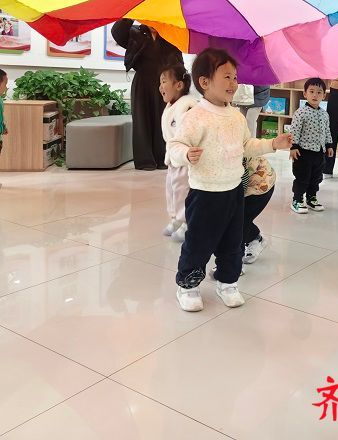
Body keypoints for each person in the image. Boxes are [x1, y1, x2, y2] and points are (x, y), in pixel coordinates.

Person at [167, 48, 292, 312]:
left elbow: (246, 146)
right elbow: (174, 146)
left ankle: (228, 282)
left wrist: (272, 144)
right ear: (204, 82)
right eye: (226, 77)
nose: (234, 83)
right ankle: (187, 285)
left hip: (234, 190)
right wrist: (186, 154)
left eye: (235, 77)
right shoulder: (196, 116)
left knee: (233, 242)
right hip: (205, 193)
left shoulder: (236, 116)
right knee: (198, 242)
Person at [111, 18, 183, 170]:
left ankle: (162, 159)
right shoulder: (136, 33)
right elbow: (117, 32)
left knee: (164, 119)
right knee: (141, 120)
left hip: (166, 84)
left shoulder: (170, 35)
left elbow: (179, 62)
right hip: (142, 82)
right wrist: (132, 14)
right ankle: (145, 161)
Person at [159, 63, 198, 242]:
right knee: (171, 189)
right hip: (172, 157)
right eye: (160, 83)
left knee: (183, 190)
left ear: (179, 85)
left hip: (183, 157)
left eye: (164, 81)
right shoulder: (170, 105)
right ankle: (175, 218)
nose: (160, 87)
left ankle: (186, 222)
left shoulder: (187, 105)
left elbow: (190, 133)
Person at [289, 78, 333, 213]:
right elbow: (294, 130)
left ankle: (311, 198)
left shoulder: (324, 114)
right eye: (311, 91)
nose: (315, 95)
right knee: (302, 177)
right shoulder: (301, 112)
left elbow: (327, 130)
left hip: (319, 153)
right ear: (305, 94)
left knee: (316, 177)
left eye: (319, 92)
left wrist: (329, 145)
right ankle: (297, 199)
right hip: (303, 152)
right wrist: (293, 147)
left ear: (324, 95)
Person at [241, 155, 276, 264]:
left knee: (238, 222)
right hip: (246, 184)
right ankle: (254, 238)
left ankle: (233, 264)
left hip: (260, 187)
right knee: (234, 220)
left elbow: (241, 180)